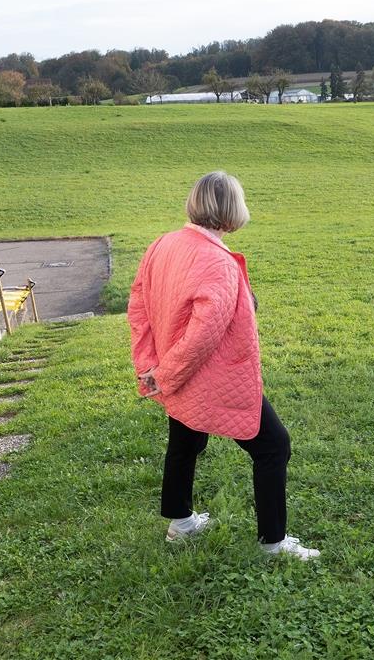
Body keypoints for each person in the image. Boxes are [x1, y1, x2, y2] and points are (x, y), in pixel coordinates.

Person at [127, 171, 319, 559]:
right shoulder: (218, 263)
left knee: (185, 441)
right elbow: (201, 336)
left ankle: (180, 524)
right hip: (208, 377)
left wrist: (153, 368)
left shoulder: (162, 245)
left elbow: (138, 308)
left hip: (174, 373)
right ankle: (274, 544)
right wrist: (161, 375)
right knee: (273, 446)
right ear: (232, 209)